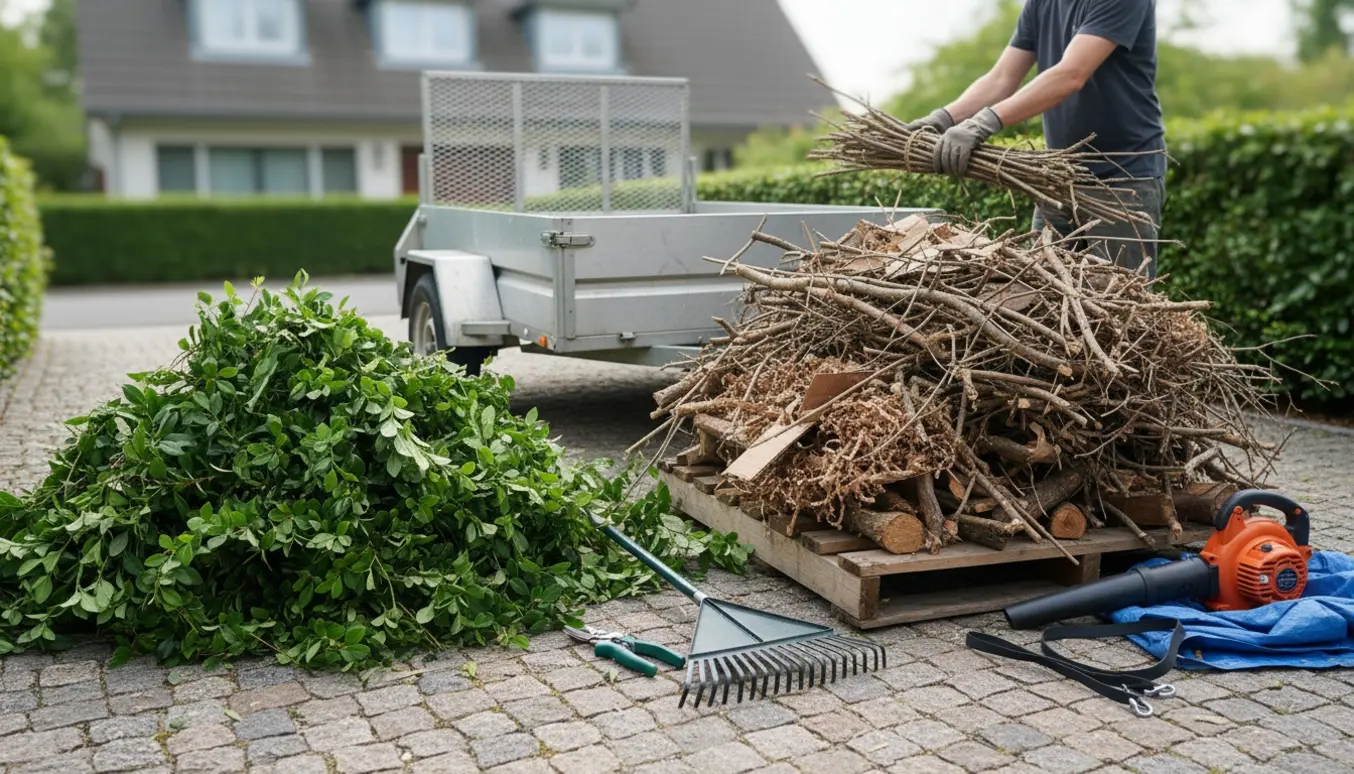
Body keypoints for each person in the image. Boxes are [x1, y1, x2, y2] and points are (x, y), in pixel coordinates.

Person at [905, 0, 1167, 276]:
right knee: (1043, 300)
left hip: (1121, 182)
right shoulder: (1042, 3)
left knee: (1120, 306)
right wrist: (943, 118)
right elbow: (1001, 78)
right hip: (1057, 179)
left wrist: (981, 124)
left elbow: (1071, 74)